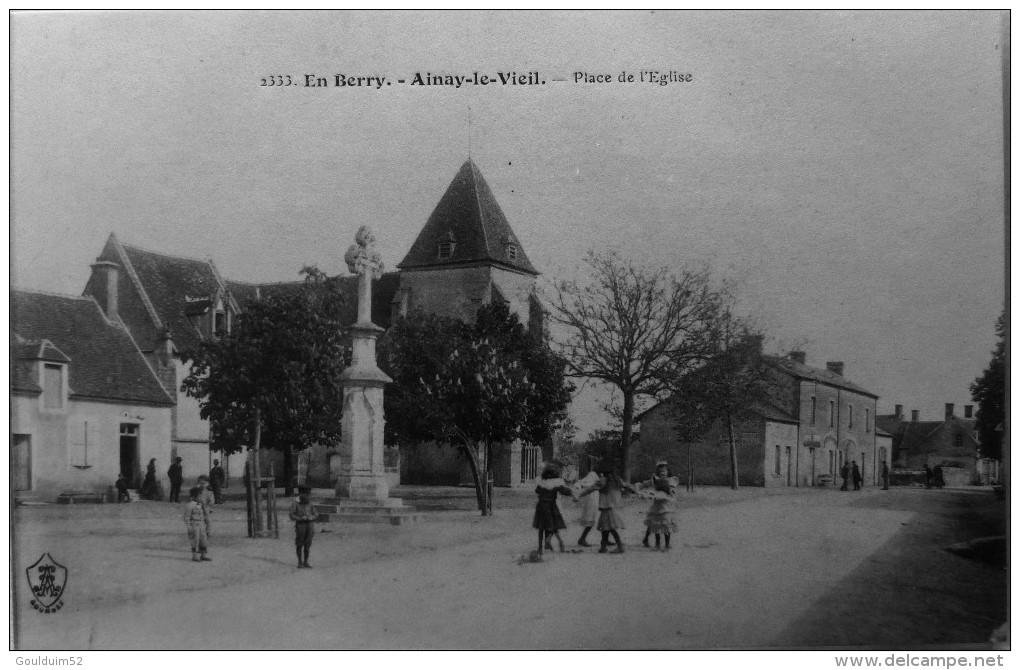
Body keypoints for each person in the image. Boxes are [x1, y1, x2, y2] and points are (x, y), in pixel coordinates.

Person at [580, 464, 635, 554]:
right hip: (611, 506)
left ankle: (620, 546)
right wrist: (635, 490)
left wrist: (580, 495)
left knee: (610, 528)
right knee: (605, 528)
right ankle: (603, 547)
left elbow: (592, 488)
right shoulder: (616, 478)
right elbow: (626, 485)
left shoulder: (603, 480)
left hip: (605, 506)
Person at [636, 461, 679, 551]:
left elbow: (668, 490)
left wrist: (653, 493)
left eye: (664, 471)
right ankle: (654, 543)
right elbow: (645, 484)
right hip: (657, 506)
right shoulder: (655, 479)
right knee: (655, 524)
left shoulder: (671, 480)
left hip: (667, 506)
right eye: (660, 471)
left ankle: (666, 544)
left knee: (665, 525)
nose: (662, 473)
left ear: (668, 471)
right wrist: (638, 487)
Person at [533, 463, 572, 555]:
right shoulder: (556, 484)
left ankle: (539, 548)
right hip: (551, 507)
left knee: (541, 528)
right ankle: (560, 543)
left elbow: (537, 491)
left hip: (541, 507)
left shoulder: (542, 483)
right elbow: (564, 491)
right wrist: (573, 494)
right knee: (554, 526)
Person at [289, 486, 317, 568]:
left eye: (308, 494)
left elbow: (316, 513)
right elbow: (291, 515)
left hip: (310, 525)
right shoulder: (295, 503)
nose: (308, 496)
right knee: (299, 543)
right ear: (300, 494)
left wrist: (312, 517)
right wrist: (300, 518)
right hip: (300, 526)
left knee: (308, 544)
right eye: (306, 494)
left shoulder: (310, 503)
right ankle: (300, 562)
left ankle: (306, 562)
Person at [573, 469, 602, 546]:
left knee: (604, 518)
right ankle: (582, 538)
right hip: (593, 498)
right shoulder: (593, 475)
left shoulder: (601, 475)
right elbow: (584, 484)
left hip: (598, 497)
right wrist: (578, 494)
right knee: (592, 518)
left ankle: (604, 538)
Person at [183, 486, 211, 562]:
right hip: (194, 524)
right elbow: (187, 517)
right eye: (199, 495)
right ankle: (195, 556)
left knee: (203, 539)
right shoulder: (190, 505)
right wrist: (189, 526)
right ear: (194, 496)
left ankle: (203, 555)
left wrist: (206, 524)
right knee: (195, 540)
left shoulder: (200, 504)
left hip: (201, 524)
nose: (201, 497)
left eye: (201, 495)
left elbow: (203, 515)